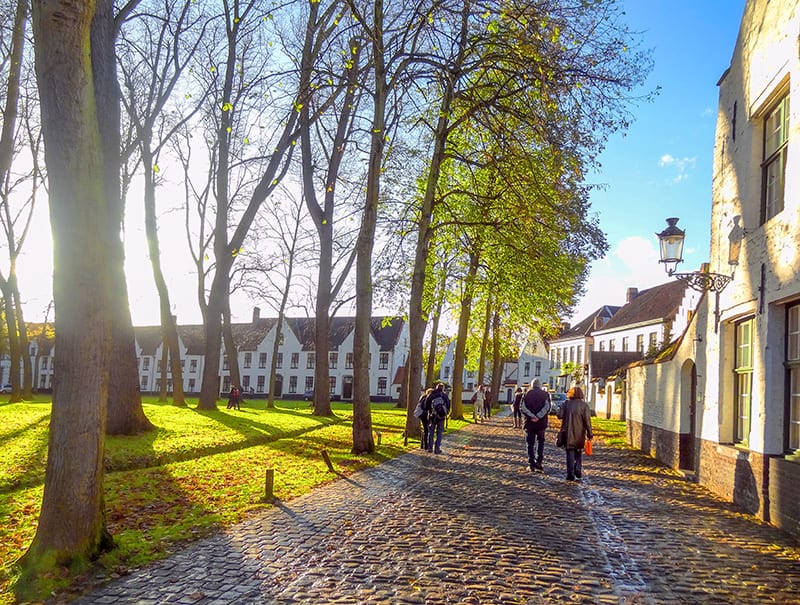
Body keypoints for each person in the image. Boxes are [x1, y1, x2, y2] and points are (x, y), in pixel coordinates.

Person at [558, 385, 593, 481]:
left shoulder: (566, 404)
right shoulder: (584, 405)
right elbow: (587, 421)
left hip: (567, 432)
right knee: (578, 451)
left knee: (570, 453)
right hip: (580, 433)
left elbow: (559, 416)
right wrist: (590, 433)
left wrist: (561, 408)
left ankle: (570, 474)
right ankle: (577, 468)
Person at [521, 379, 551, 471]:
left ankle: (531, 464)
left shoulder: (526, 394)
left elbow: (522, 407)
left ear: (532, 385)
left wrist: (532, 416)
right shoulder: (545, 394)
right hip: (541, 423)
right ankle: (539, 462)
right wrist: (539, 416)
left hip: (529, 423)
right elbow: (547, 407)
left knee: (530, 444)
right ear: (540, 385)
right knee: (540, 443)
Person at [425, 383, 451, 454]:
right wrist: (445, 413)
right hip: (441, 417)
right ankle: (437, 448)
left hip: (432, 416)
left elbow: (426, 405)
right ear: (443, 389)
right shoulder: (444, 395)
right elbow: (448, 405)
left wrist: (430, 411)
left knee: (431, 432)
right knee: (439, 433)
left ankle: (430, 448)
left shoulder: (431, 394)